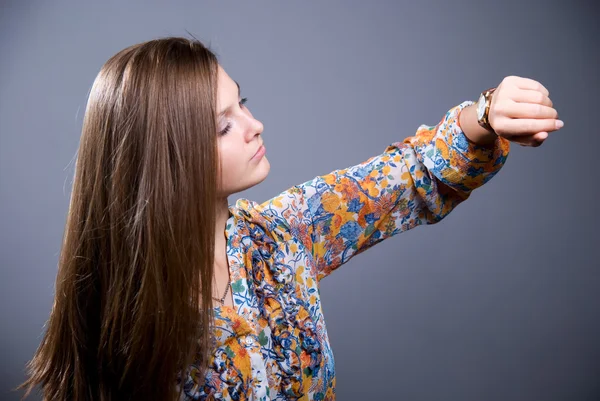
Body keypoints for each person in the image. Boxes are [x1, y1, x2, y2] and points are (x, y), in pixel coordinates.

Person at [18, 36, 563, 401]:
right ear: (168, 156)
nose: (255, 125)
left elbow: (409, 175)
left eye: (243, 104)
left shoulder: (281, 237)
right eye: (222, 126)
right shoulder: (115, 319)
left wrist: (487, 112)